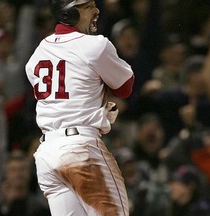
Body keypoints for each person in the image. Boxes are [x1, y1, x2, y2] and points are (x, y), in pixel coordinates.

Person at [25, 0, 134, 215]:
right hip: (81, 149)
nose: (96, 10)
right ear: (68, 13)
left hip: (47, 154)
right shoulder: (95, 45)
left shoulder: (38, 52)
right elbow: (125, 88)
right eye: (88, 6)